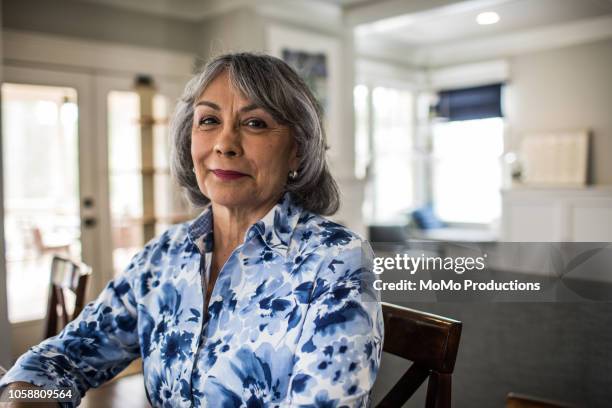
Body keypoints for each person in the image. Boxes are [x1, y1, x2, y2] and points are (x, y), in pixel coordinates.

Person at [0, 52, 383, 407]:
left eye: (254, 123)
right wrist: (25, 395)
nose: (225, 144)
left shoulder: (337, 261)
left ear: (297, 150)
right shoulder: (162, 256)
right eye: (209, 120)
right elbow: (63, 362)